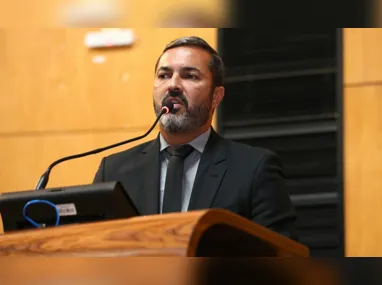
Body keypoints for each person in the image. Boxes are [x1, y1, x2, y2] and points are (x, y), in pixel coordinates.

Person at [93, 36, 298, 241]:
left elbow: (282, 258)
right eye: (164, 75)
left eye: (189, 76)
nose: (173, 85)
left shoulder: (254, 169)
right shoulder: (113, 171)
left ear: (216, 96)